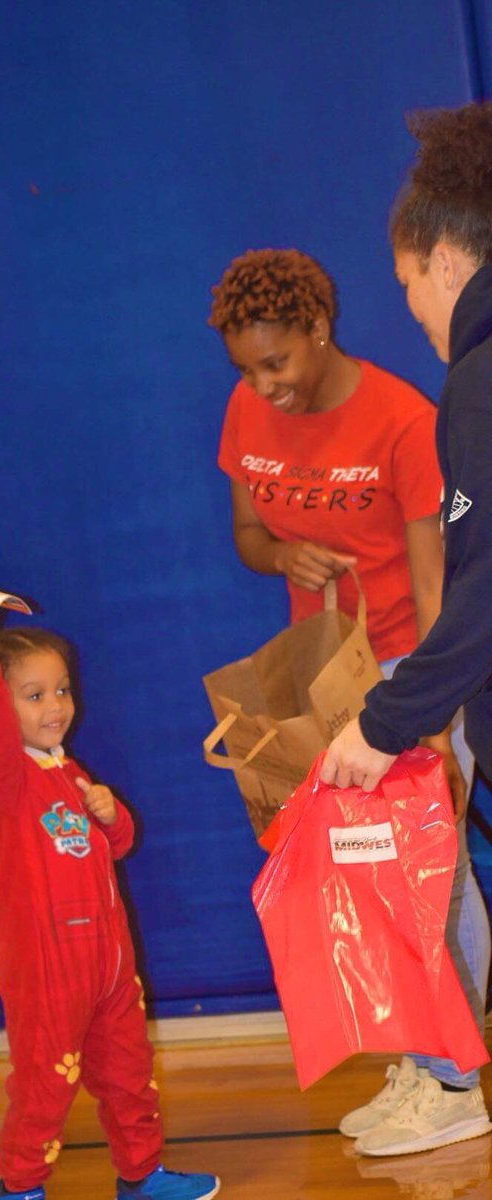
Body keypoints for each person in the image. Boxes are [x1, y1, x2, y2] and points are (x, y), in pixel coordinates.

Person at [209, 245, 490, 1154]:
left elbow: (441, 580)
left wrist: (427, 716)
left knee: (434, 875)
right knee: (370, 878)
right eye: (247, 369)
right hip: (323, 675)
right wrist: (281, 555)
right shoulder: (247, 409)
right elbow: (248, 533)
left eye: (277, 362)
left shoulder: (404, 420)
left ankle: (457, 1081)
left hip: (410, 670)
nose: (265, 385)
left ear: (319, 329)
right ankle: (419, 1061)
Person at [318, 101, 492, 1155]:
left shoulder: (474, 383)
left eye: (405, 287)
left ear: (443, 259)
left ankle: (449, 1078)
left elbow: (483, 587)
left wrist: (385, 722)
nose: (414, 313)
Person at [0, 620, 220, 1200]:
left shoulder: (69, 772)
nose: (56, 706)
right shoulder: (5, 779)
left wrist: (113, 816)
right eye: (34, 695)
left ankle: (141, 1175)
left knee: (130, 1076)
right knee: (45, 1085)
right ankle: (19, 1188)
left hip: (108, 964)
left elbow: (115, 846)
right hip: (48, 968)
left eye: (62, 690)